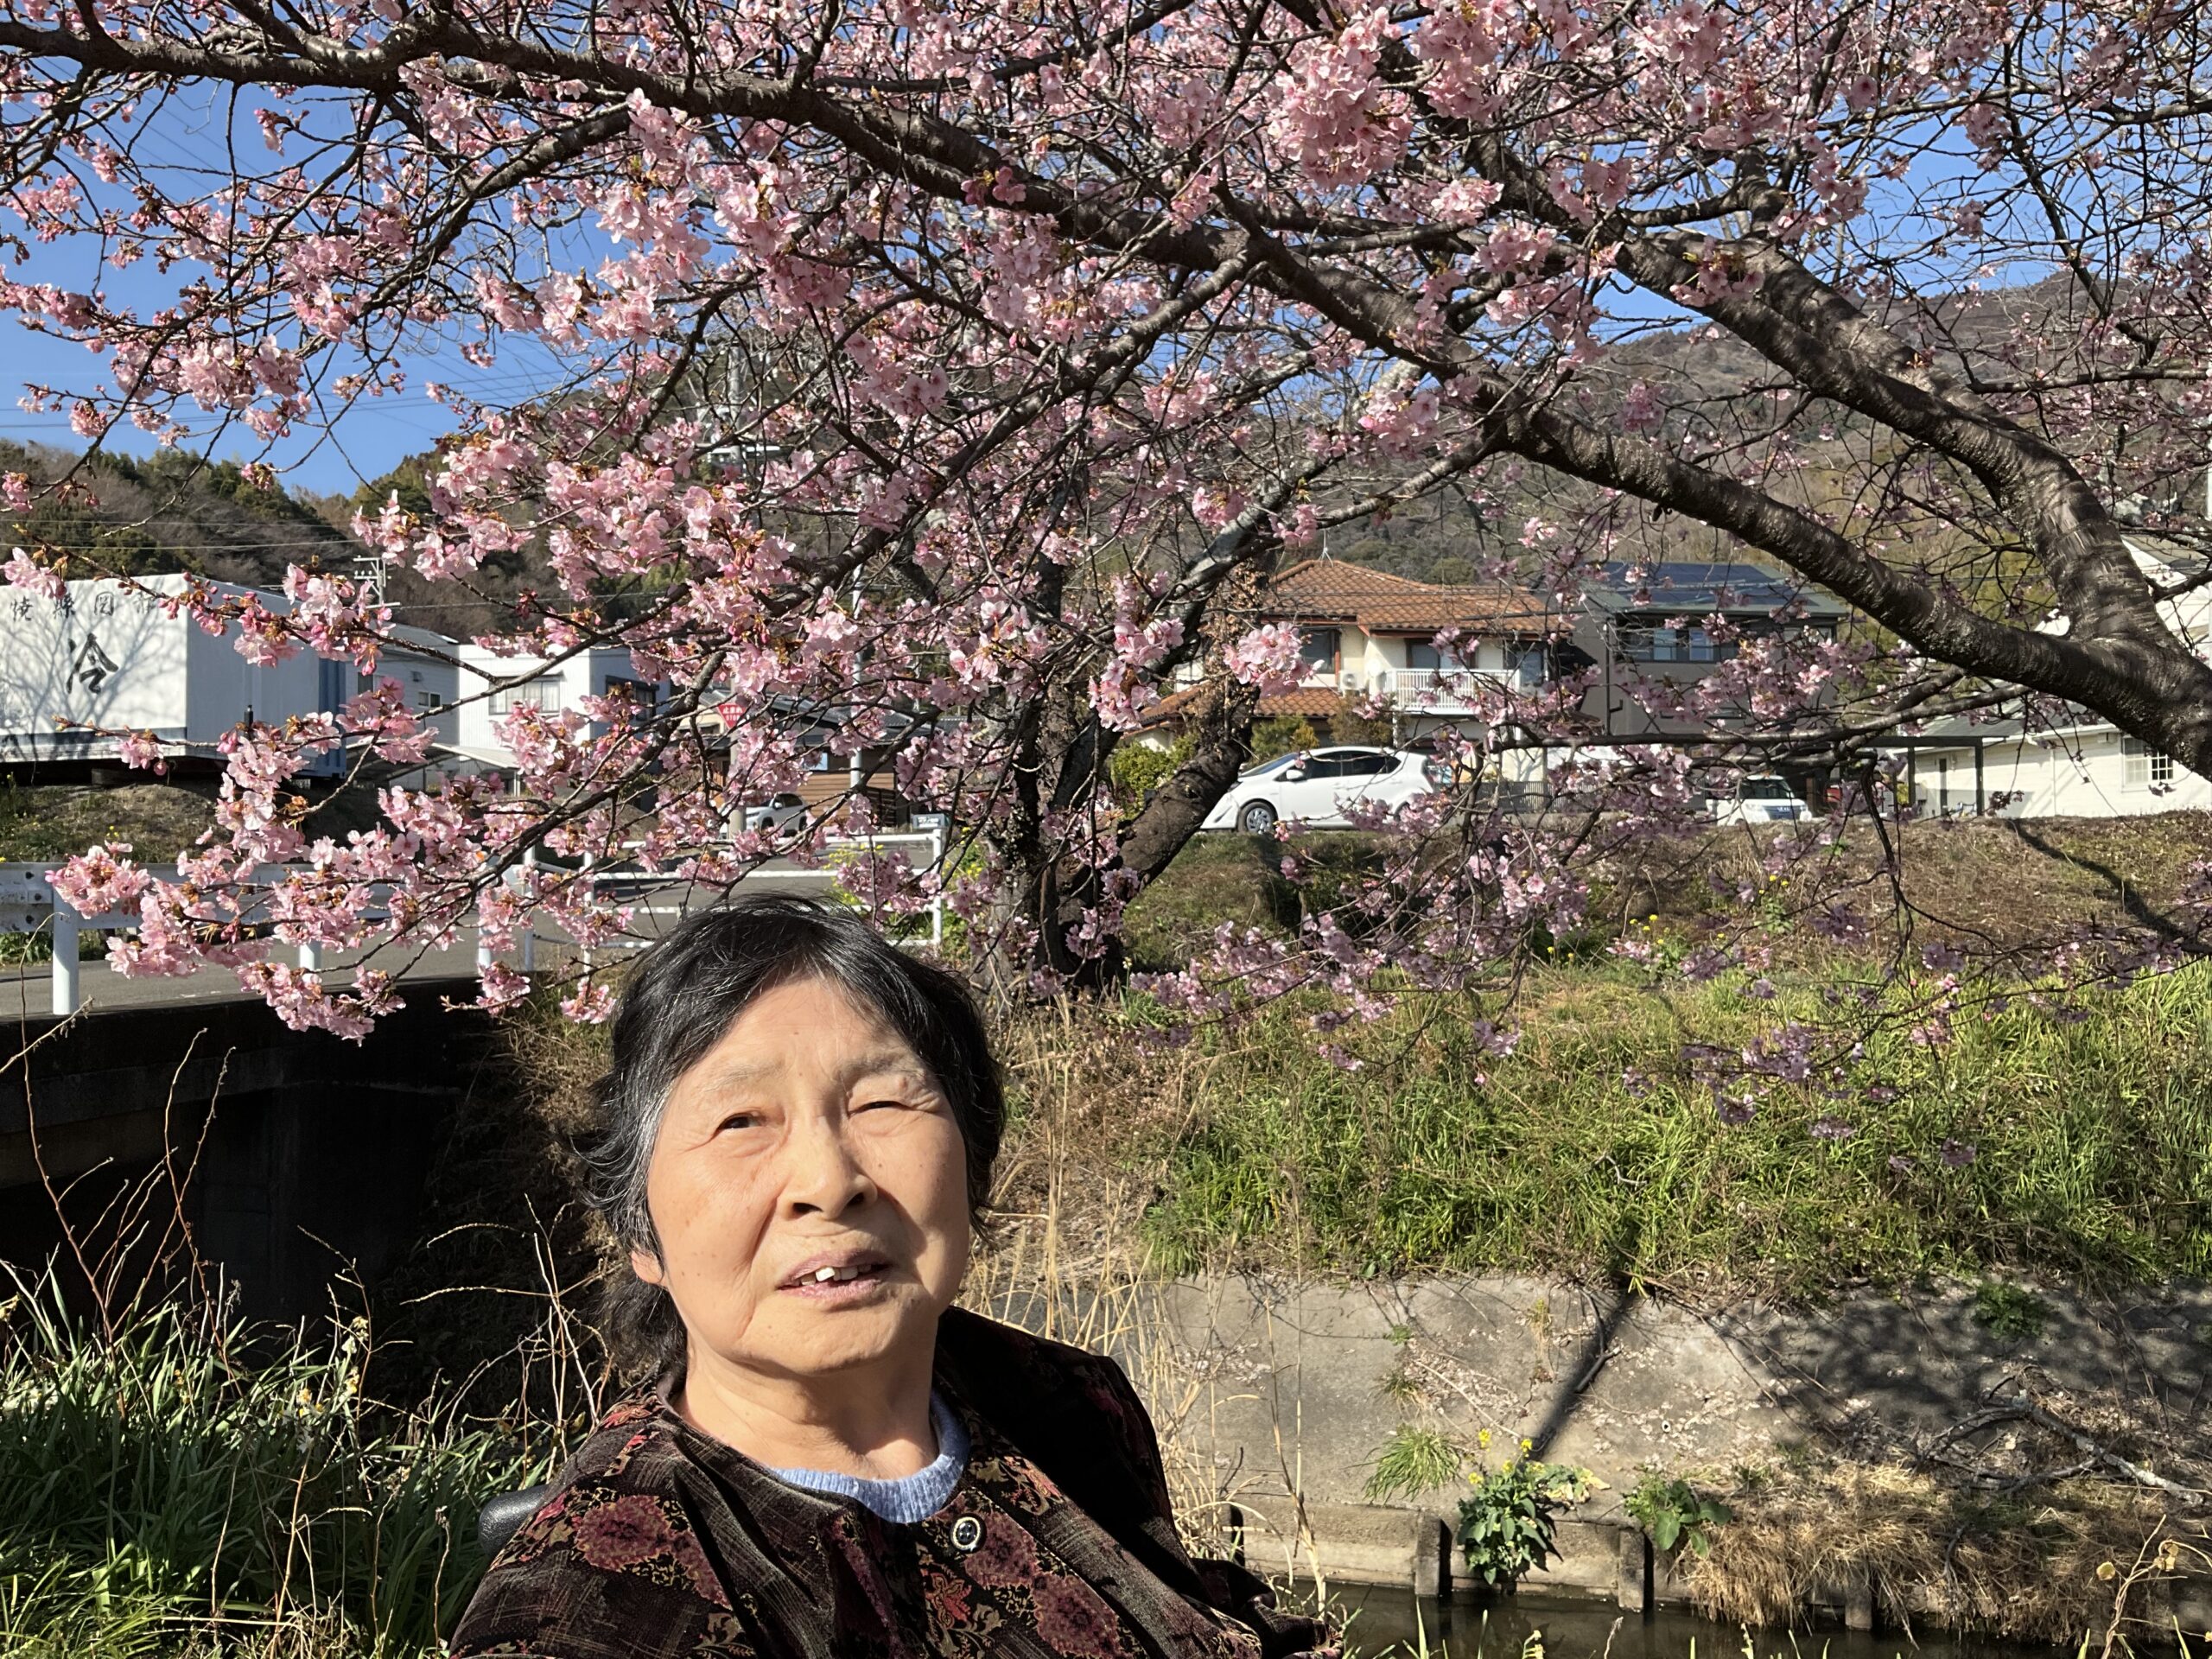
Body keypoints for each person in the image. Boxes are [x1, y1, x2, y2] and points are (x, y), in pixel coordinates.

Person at [451, 894, 1334, 1659]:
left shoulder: (1065, 1403)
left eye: (879, 1101)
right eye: (740, 1121)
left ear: (972, 1160)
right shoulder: (593, 1605)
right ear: (640, 1232)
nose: (829, 1180)